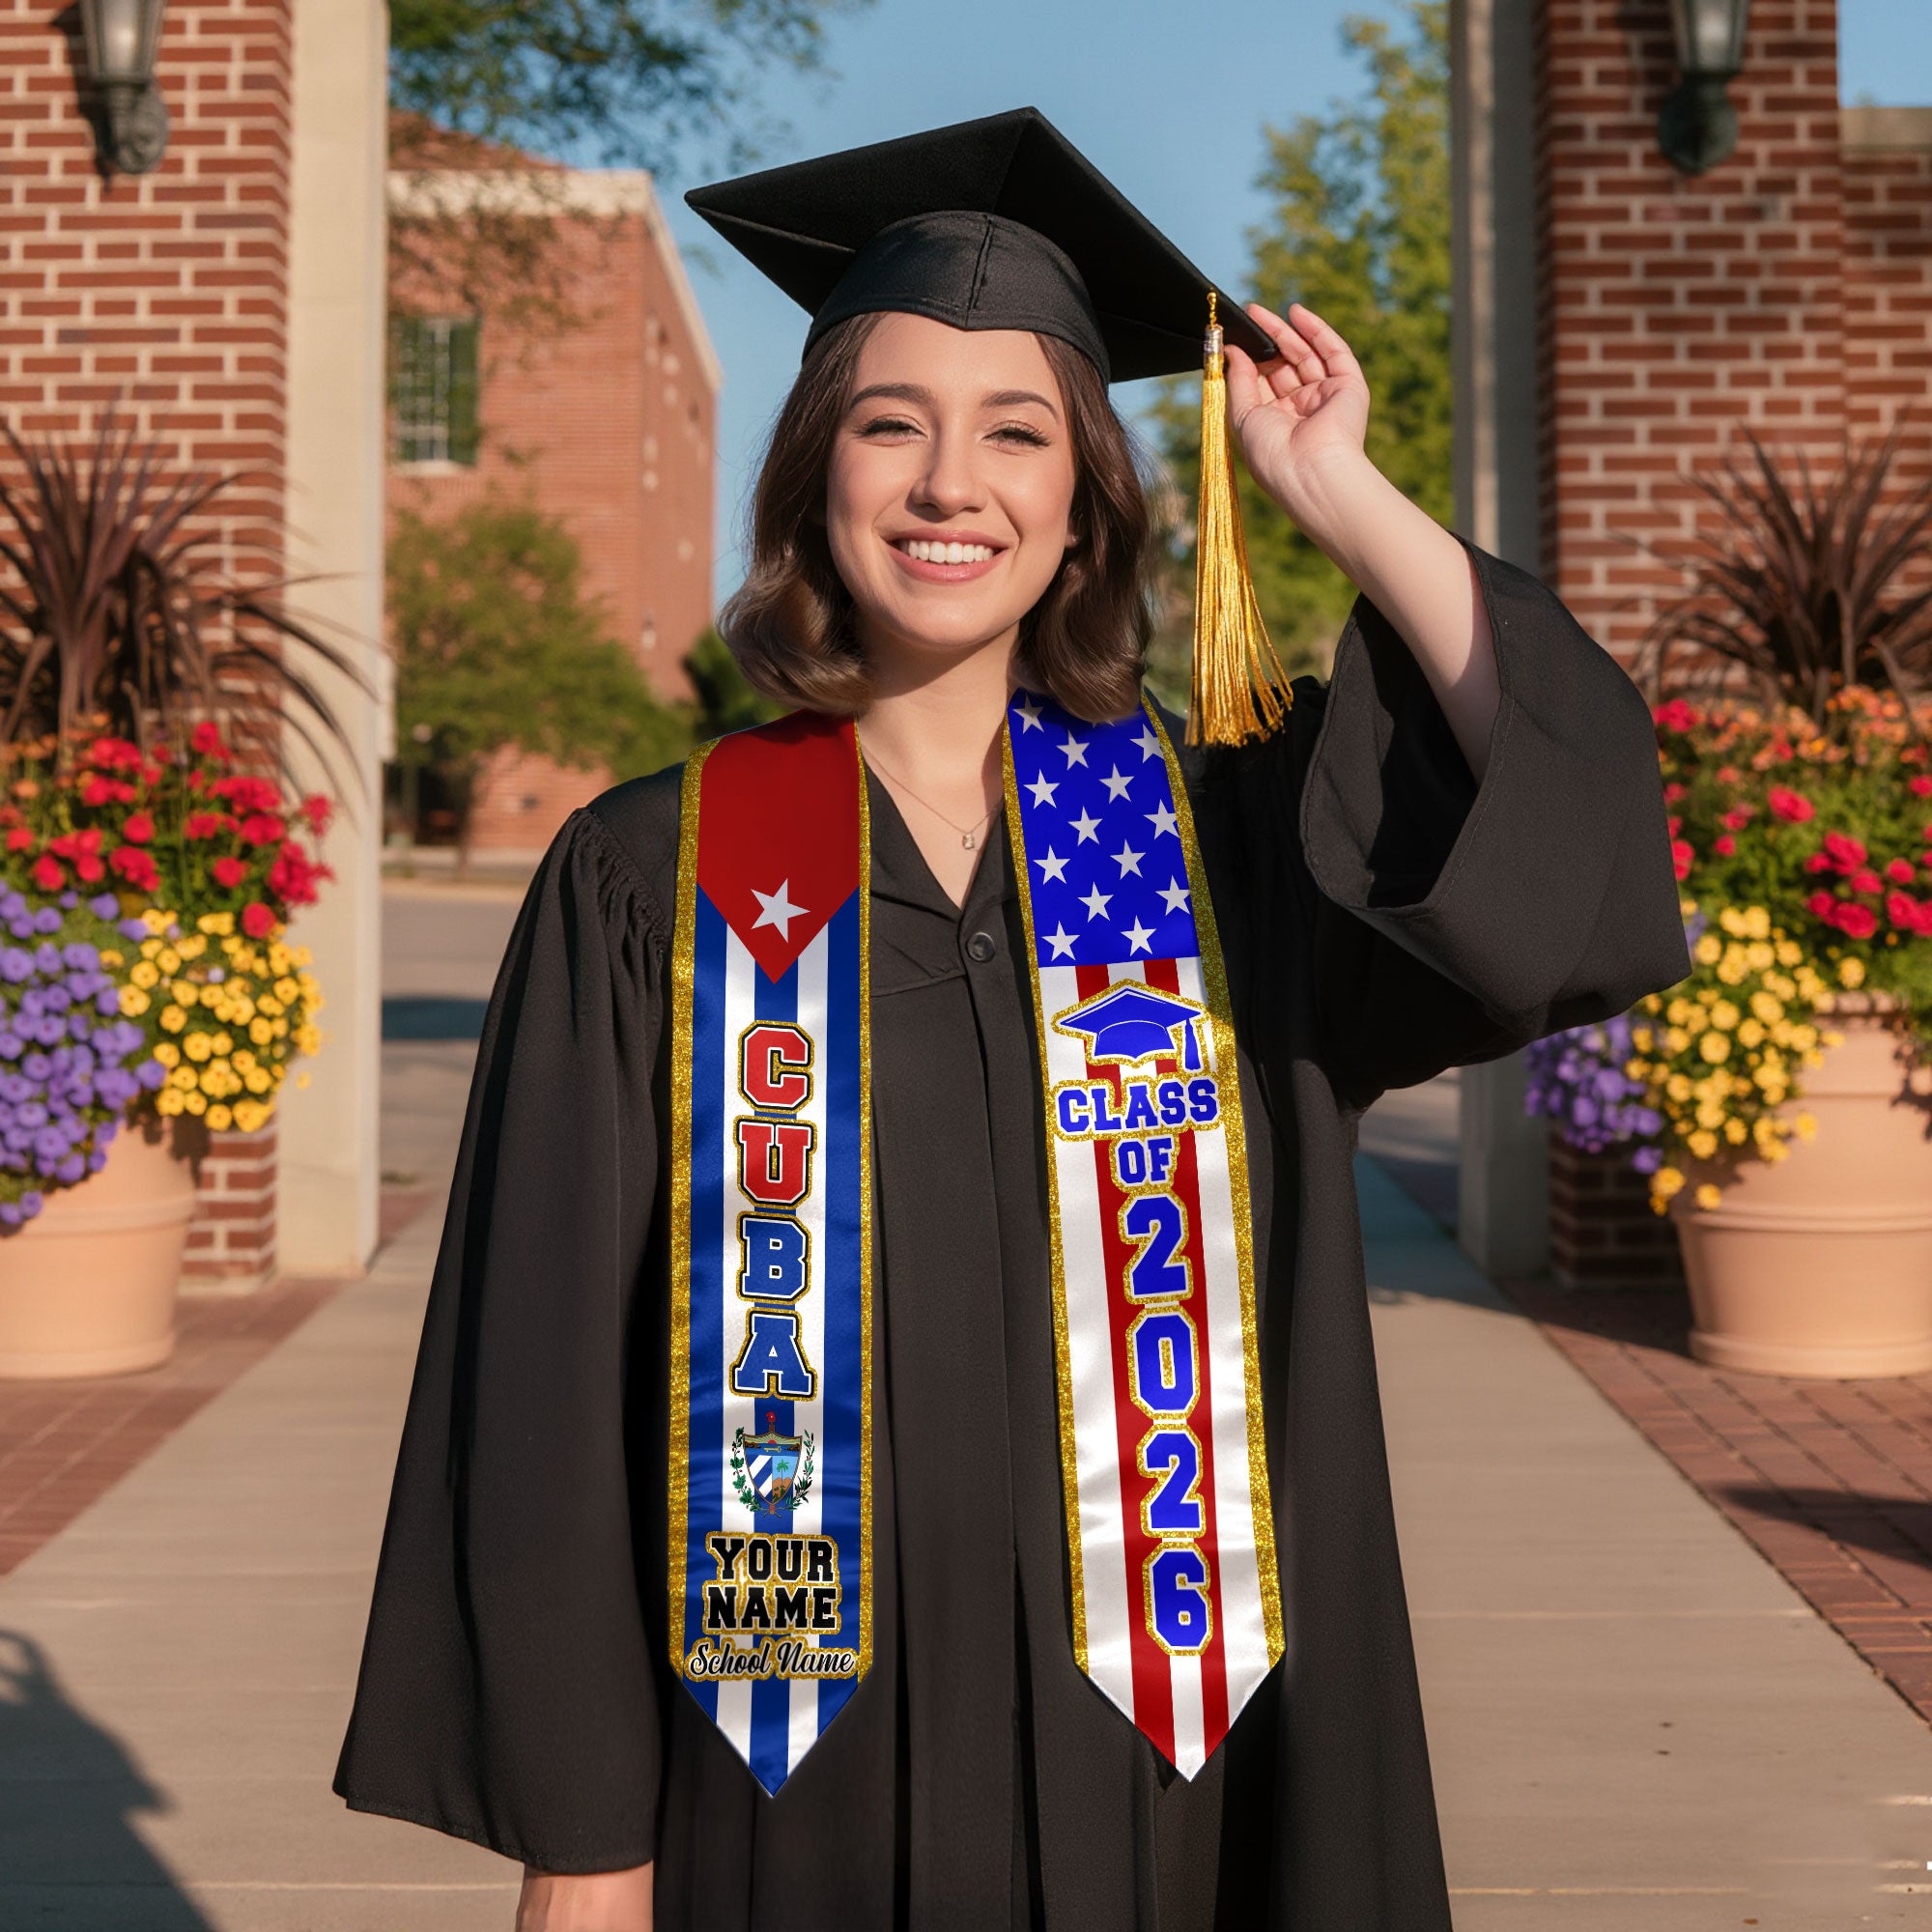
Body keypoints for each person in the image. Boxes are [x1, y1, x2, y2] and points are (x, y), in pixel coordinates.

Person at [333, 109, 1690, 1931]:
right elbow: (548, 1387)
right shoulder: (654, 878)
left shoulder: (1225, 850)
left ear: (1082, 506)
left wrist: (1336, 491)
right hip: (781, 1786)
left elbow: (1558, 821)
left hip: (1184, 1782)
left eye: (1016, 433)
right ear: (819, 472)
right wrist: (585, 1843)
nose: (948, 483)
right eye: (892, 424)